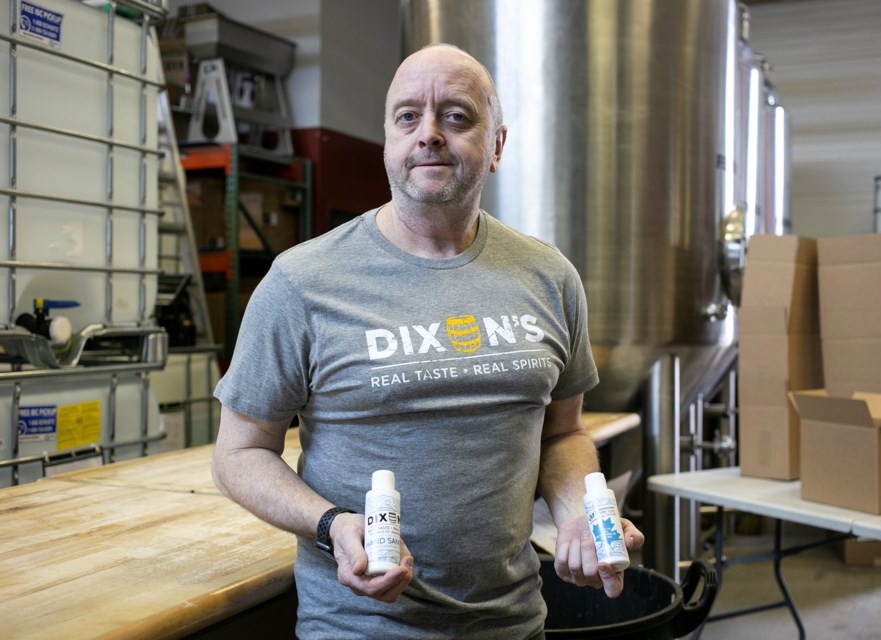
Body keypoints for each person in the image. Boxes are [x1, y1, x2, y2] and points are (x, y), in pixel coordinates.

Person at [211, 43, 644, 640]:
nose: (429, 134)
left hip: (512, 624)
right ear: (388, 141)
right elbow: (238, 454)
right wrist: (330, 523)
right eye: (407, 116)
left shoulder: (550, 276)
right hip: (360, 628)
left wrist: (577, 514)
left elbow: (563, 432)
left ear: (496, 146)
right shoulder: (301, 282)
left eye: (457, 116)